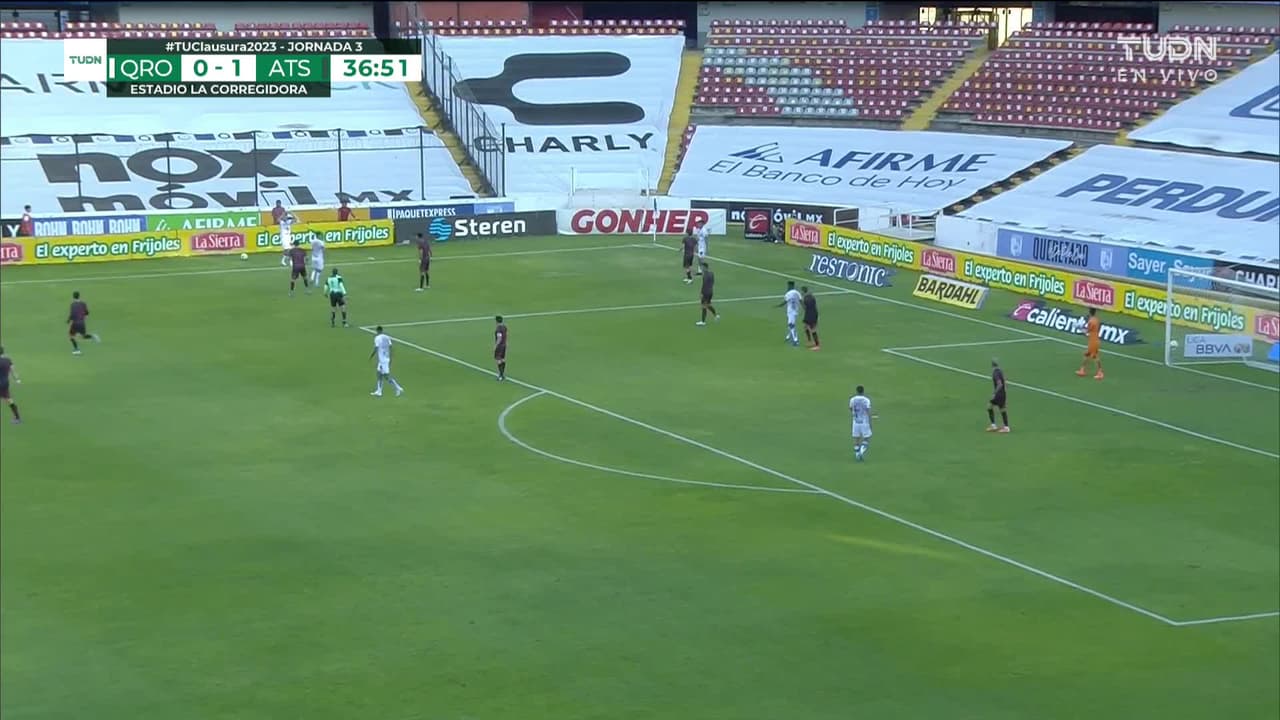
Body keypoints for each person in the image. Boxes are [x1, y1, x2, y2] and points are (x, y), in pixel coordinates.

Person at [369, 326, 405, 397]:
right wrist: (391, 357)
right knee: (379, 374)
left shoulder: (377, 338)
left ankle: (398, 388)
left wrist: (371, 356)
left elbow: (376, 348)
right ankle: (379, 391)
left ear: (378, 331)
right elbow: (391, 347)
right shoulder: (387, 337)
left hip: (383, 360)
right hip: (386, 358)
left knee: (386, 376)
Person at [67, 290, 99, 355]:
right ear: (79, 296)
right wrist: (84, 318)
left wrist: (68, 320)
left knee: (71, 336)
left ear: (73, 297)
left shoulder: (73, 304)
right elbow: (87, 313)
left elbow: (72, 314)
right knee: (83, 336)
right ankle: (92, 336)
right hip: (82, 322)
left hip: (75, 323)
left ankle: (76, 349)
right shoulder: (83, 303)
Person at [1076, 307, 1105, 380]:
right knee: (1087, 354)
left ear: (1089, 312)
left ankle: (1100, 373)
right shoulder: (1096, 320)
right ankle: (1082, 370)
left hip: (1093, 341)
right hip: (1095, 339)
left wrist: (1079, 328)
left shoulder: (1091, 321)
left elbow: (1087, 331)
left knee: (1094, 356)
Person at [987, 359, 1011, 433]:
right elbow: (1004, 381)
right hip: (1002, 393)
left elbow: (999, 384)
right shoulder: (1000, 371)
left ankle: (1000, 427)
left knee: (990, 407)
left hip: (999, 394)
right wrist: (1004, 392)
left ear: (992, 365)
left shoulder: (995, 373)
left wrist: (994, 393)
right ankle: (1002, 426)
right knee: (997, 408)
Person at [850, 385, 872, 461]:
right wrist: (870, 422)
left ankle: (857, 455)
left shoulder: (852, 399)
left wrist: (854, 414)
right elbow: (868, 411)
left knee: (856, 439)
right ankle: (861, 452)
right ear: (863, 391)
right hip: (864, 422)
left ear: (856, 391)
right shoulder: (866, 400)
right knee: (867, 438)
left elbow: (850, 408)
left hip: (855, 422)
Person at [778, 280, 802, 347]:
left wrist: (778, 306)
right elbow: (801, 301)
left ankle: (796, 340)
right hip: (796, 311)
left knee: (791, 325)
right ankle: (788, 336)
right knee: (791, 325)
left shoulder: (788, 293)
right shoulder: (797, 292)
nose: (787, 287)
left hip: (791, 312)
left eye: (788, 285)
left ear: (791, 286)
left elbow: (785, 302)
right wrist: (805, 308)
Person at [0, 346, 21, 424]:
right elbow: (13, 371)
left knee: (8, 399)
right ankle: (17, 417)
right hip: (5, 383)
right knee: (9, 400)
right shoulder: (8, 360)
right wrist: (17, 379)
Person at [696, 261, 719, 326]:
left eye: (702, 267)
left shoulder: (705, 275)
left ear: (705, 267)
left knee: (704, 306)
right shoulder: (711, 273)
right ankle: (716, 315)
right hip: (710, 291)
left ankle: (703, 321)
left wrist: (702, 293)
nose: (701, 268)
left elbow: (704, 284)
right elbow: (712, 282)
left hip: (706, 292)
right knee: (708, 305)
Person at [802, 286, 820, 350]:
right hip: (812, 314)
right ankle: (810, 341)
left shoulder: (805, 298)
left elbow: (805, 308)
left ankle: (817, 345)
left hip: (810, 315)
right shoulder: (811, 296)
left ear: (803, 291)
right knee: (805, 326)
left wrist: (801, 303)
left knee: (813, 329)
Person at [494, 315, 509, 382]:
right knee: (503, 359)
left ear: (496, 321)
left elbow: (499, 338)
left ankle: (501, 375)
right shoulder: (504, 327)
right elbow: (506, 335)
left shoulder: (498, 329)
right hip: (504, 345)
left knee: (498, 359)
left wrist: (495, 345)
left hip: (500, 346)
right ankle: (502, 375)